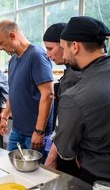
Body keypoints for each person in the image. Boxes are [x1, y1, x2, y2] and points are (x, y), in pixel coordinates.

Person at [53, 16, 110, 185]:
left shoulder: (75, 96)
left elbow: (64, 151)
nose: (63, 54)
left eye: (63, 48)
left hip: (99, 177)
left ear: (75, 46)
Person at [0, 20, 54, 161]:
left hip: (34, 133)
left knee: (36, 176)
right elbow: (13, 91)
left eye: (1, 43)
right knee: (11, 167)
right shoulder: (13, 60)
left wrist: (39, 131)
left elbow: (48, 94)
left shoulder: (36, 56)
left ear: (12, 36)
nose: (0, 48)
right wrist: (5, 116)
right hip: (17, 130)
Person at [43, 23, 81, 177]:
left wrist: (52, 155)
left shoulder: (74, 77)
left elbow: (68, 123)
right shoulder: (70, 72)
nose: (47, 54)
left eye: (50, 48)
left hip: (69, 152)